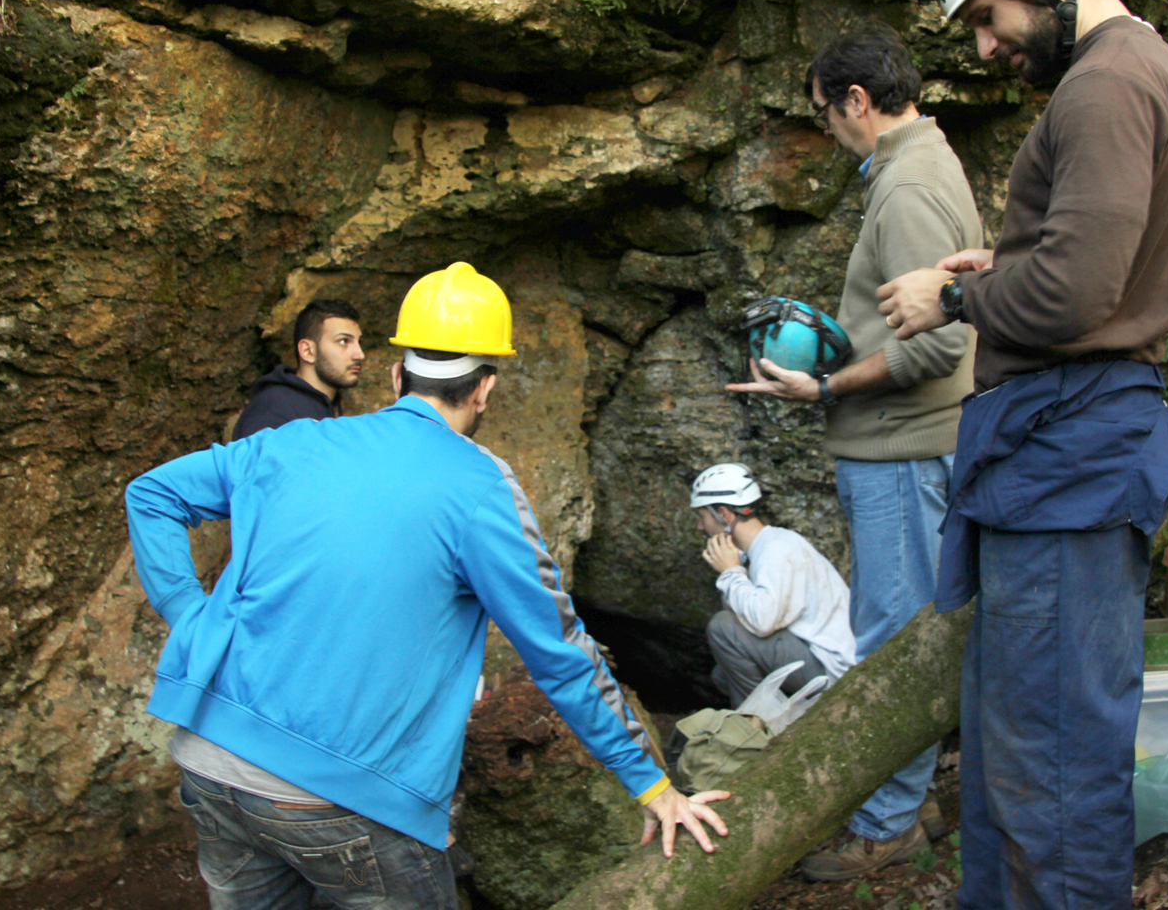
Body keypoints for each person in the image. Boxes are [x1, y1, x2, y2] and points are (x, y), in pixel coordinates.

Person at [125, 262, 728, 910]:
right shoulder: (480, 487)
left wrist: (190, 615)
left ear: (395, 376)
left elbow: (151, 494)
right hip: (347, 798)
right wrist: (650, 784)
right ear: (485, 390)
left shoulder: (292, 444)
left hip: (213, 761)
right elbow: (557, 650)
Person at [877, 0, 1168, 906]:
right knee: (1024, 757)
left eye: (989, 16)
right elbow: (1092, 267)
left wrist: (952, 297)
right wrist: (1012, 263)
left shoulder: (1105, 83)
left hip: (1066, 452)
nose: (986, 46)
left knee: (1050, 774)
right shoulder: (1139, 69)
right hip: (1062, 451)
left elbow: (1075, 297)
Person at [726, 19, 980, 880]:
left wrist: (824, 387)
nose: (828, 135)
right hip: (909, 445)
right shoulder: (925, 163)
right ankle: (933, 795)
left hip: (902, 451)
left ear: (857, 101)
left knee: (895, 638)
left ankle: (889, 823)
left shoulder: (906, 187)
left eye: (827, 117)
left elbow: (941, 343)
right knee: (925, 633)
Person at [690, 463, 856, 709]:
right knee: (722, 676)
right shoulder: (762, 548)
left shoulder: (777, 548)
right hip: (813, 659)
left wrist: (731, 573)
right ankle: (775, 719)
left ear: (723, 514)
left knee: (723, 628)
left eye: (702, 517)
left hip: (833, 672)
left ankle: (754, 726)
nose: (700, 527)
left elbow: (762, 621)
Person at [230, 299, 364, 440]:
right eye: (343, 341)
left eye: (359, 342)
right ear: (308, 351)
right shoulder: (274, 410)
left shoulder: (321, 407)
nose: (360, 354)